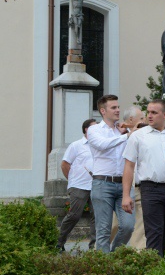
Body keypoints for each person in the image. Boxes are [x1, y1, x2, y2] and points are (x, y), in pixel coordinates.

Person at [122, 99, 165, 257]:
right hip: (150, 189)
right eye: (148, 112)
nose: (149, 116)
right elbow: (129, 166)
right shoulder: (138, 136)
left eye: (154, 112)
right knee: (153, 233)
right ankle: (154, 272)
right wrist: (126, 195)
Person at [87, 94, 135, 253]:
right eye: (113, 107)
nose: (118, 110)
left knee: (128, 226)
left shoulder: (123, 130)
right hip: (102, 183)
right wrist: (125, 136)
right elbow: (102, 145)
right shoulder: (94, 130)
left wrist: (127, 132)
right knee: (103, 230)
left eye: (118, 107)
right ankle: (103, 267)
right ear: (102, 111)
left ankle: (114, 256)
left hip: (124, 184)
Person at [56, 118, 97, 252]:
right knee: (74, 215)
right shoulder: (76, 145)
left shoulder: (99, 145)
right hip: (79, 185)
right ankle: (59, 242)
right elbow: (65, 164)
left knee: (96, 216)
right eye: (94, 127)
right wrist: (72, 180)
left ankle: (94, 246)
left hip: (96, 185)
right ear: (86, 129)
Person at [120, 106, 147, 249]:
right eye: (142, 118)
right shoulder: (118, 135)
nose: (145, 121)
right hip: (120, 187)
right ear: (131, 120)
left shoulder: (145, 136)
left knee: (140, 225)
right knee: (116, 225)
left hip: (140, 187)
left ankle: (139, 256)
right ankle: (102, 254)